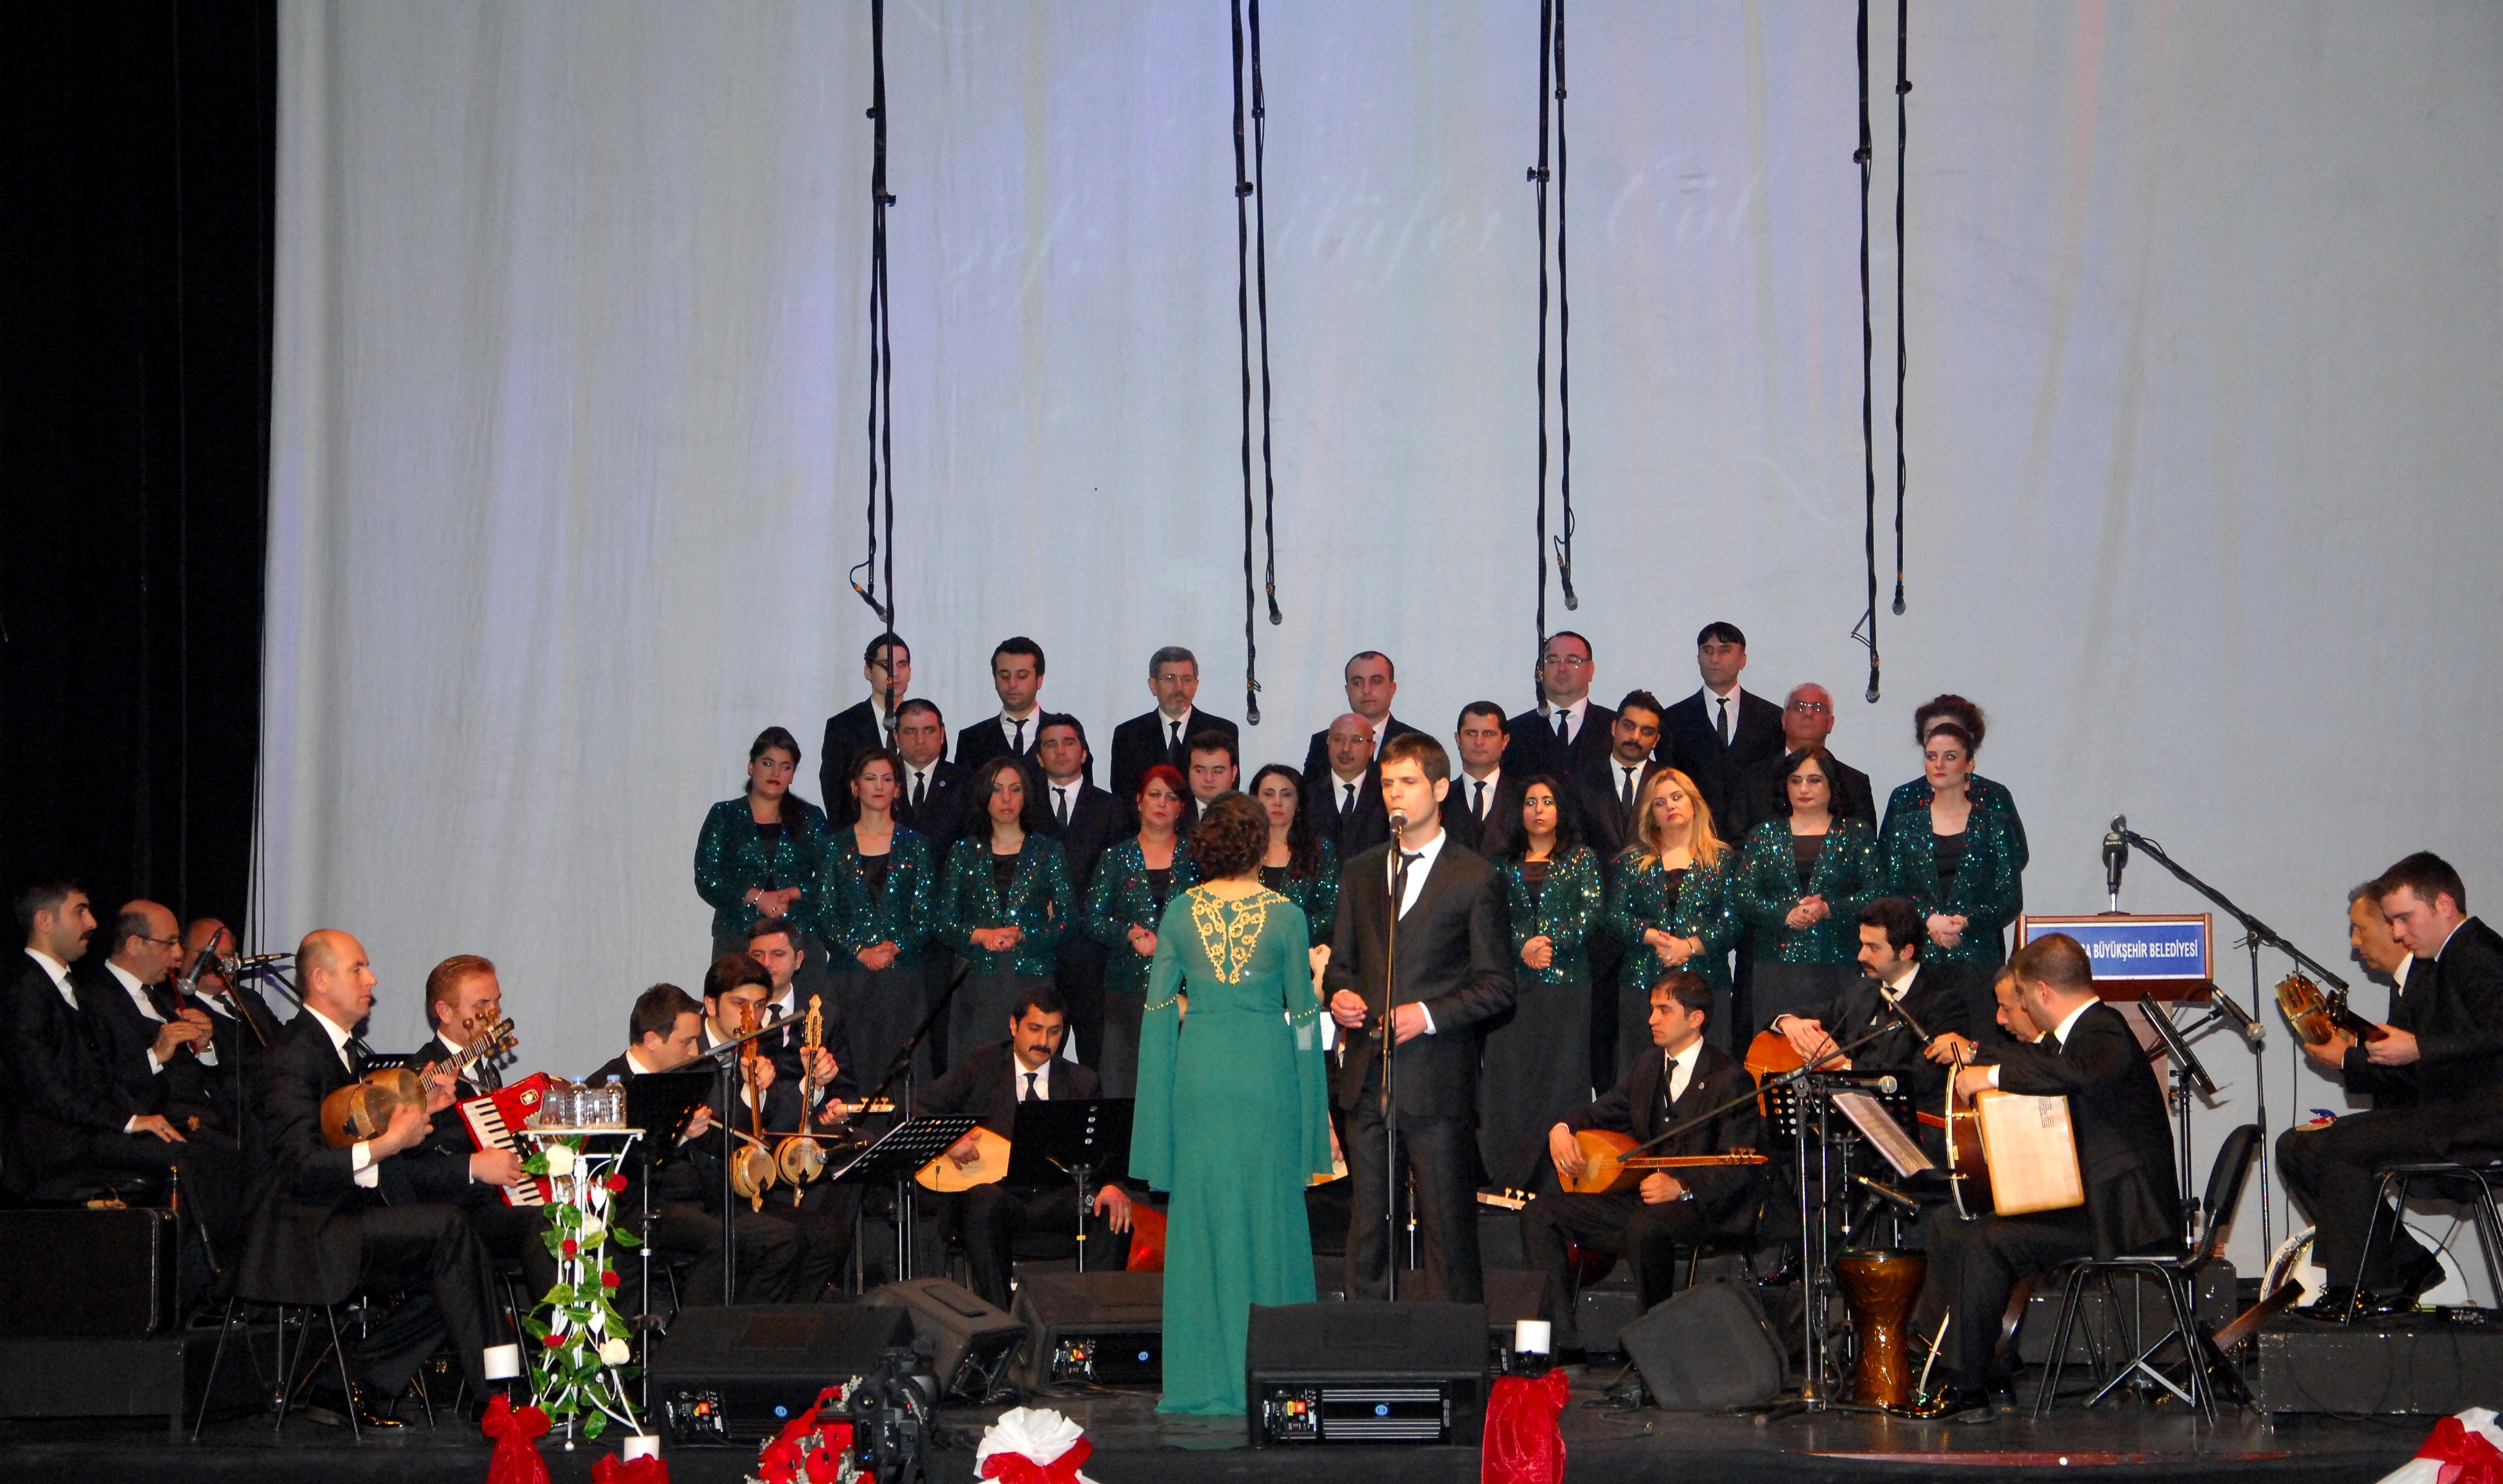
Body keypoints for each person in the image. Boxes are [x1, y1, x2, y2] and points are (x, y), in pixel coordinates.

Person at [233, 930, 511, 1426]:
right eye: (358, 968)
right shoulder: (292, 1056)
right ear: (321, 980)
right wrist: (390, 1142)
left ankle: (347, 1384)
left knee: (460, 1260)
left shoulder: (338, 1050)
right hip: (299, 1229)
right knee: (451, 1231)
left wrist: (423, 1112)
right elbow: (301, 1167)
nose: (372, 979)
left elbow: (348, 1139)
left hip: (338, 1215)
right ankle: (499, 1398)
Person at [1917, 933, 2178, 1422]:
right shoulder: (2079, 1035)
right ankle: (1965, 1366)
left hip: (2124, 1216)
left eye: (2021, 996)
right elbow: (2044, 1062)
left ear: (2041, 991)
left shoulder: (2104, 1028)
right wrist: (1979, 1056)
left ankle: (1966, 1387)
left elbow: (2075, 1073)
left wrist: (1989, 1074)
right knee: (1963, 1224)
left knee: (1989, 1239)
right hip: (2094, 1206)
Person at [1134, 793, 1333, 1413]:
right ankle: (1274, 1371)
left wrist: (1159, 1105)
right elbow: (1305, 1019)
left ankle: (1202, 1378)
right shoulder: (1287, 915)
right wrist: (1314, 1104)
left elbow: (1158, 1011)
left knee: (1203, 1219)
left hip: (1201, 1077)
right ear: (1259, 845)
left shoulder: (1178, 912)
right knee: (1268, 1214)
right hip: (1265, 1076)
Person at [1324, 733, 1514, 1303]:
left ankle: (1453, 1345)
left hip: (1436, 1079)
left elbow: (1498, 986)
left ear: (1440, 787)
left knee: (1447, 1232)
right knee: (1368, 1231)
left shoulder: (1473, 876)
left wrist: (1428, 1014)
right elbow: (1341, 964)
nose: (1395, 794)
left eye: (1407, 782)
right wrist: (1340, 996)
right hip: (1367, 1078)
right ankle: (1366, 1342)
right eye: (1387, 783)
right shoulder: (1361, 871)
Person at [2278, 854, 2503, 1320]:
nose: (2399, 932)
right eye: (2393, 920)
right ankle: (2376, 1282)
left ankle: (2366, 1289)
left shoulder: (2477, 952)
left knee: (2344, 1141)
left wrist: (2416, 1047)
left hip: (2479, 1120)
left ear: (2444, 905)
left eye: (2404, 918)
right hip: (2462, 1114)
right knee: (2335, 1141)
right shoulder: (2451, 958)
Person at [1522, 973, 1762, 1357]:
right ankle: (1562, 1342)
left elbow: (1739, 1166)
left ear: (1696, 1018)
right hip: (1643, 1200)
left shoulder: (1730, 1079)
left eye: (1664, 1010)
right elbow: (1600, 1112)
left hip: (1700, 1208)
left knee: (1646, 1230)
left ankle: (1653, 1352)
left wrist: (1682, 1187)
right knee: (1541, 1213)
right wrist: (1562, 1129)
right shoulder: (1649, 1066)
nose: (1652, 1019)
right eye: (1652, 1009)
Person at [2, 882, 243, 1260]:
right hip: (56, 1144)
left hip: (88, 1130)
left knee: (213, 1151)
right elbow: (47, 1090)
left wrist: (137, 1117)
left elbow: (99, 1076)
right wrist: (129, 1120)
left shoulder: (67, 986)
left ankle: (215, 1274)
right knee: (189, 1157)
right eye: (80, 912)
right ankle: (203, 1278)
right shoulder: (24, 989)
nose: (92, 922)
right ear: (44, 921)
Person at [583, 982, 803, 1309]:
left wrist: (748, 1093)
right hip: (638, 1206)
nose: (694, 1052)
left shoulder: (683, 1076)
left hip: (700, 1202)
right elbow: (609, 1168)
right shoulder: (607, 1087)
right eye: (686, 1042)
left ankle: (743, 1326)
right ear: (652, 1039)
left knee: (784, 1239)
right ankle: (695, 1331)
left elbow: (723, 1140)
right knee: (721, 1240)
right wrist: (681, 1135)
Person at [917, 987, 1133, 1310]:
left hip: (1059, 1199)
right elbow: (918, 1108)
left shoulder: (1082, 1081)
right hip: (1001, 1198)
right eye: (1035, 1029)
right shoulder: (983, 1066)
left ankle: (1092, 1322)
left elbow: (1104, 1152)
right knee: (982, 1199)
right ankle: (1001, 1319)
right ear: (1014, 1026)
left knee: (1112, 1210)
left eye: (1054, 1031)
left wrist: (1111, 1186)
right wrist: (949, 1140)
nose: (1044, 1041)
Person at [701, 951, 856, 1301]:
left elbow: (777, 1125)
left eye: (759, 1006)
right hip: (707, 1191)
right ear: (711, 1005)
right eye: (739, 1004)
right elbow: (713, 1131)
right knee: (784, 1239)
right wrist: (747, 1093)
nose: (751, 1016)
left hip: (750, 1188)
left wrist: (813, 1084)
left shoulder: (762, 1048)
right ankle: (753, 1321)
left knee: (829, 1238)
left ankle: (785, 1319)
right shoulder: (688, 1050)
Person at [405, 955, 557, 1307]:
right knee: (542, 1222)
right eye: (481, 1005)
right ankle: (557, 1330)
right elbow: (413, 1166)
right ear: (444, 1011)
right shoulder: (420, 1076)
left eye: (496, 1002)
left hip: (495, 1204)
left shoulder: (485, 1071)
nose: (494, 1014)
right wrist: (474, 1167)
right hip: (456, 1215)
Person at [1481, 776, 1605, 1192]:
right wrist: (1523, 946)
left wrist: (1548, 942)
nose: (1538, 810)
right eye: (1531, 802)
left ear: (1560, 809)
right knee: (1512, 1078)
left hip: (1568, 986)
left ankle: (1556, 1180)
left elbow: (1592, 913)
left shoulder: (1582, 858)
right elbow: (1490, 918)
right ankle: (1507, 1176)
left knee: (1563, 1077)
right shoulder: (1500, 863)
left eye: (1548, 801)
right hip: (1514, 987)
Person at [1876, 714, 2025, 1046]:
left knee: (1979, 1049)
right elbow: (1891, 889)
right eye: (1932, 756)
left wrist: (1966, 922)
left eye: (1950, 756)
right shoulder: (1905, 825)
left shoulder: (1994, 824)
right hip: (1919, 960)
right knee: (1920, 1052)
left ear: (1969, 764)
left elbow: (2010, 898)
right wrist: (1929, 919)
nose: (1939, 765)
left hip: (1978, 959)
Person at [1769, 898, 1971, 1131]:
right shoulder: (1865, 991)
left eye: (1873, 948)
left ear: (1906, 952)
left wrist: (1843, 1066)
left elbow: (1920, 1080)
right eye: (1862, 945)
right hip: (1855, 1125)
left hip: (1912, 1128)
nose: (1861, 956)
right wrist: (1789, 1023)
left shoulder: (1943, 1002)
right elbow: (1811, 1013)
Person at [937, 755, 1076, 1062]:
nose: (1006, 798)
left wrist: (1024, 935)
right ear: (983, 796)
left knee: (1030, 1070)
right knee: (978, 1069)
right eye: (997, 789)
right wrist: (983, 935)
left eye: (1015, 789)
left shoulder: (1048, 851)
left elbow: (1068, 921)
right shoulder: (963, 852)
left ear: (1026, 796)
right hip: (977, 979)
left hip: (1032, 978)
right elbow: (943, 923)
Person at [1732, 748, 1885, 1025]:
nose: (1804, 788)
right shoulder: (1763, 835)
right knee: (1776, 1047)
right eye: (1795, 780)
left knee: (1837, 1045)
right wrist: (1785, 913)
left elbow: (1876, 893)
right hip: (1775, 964)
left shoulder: (1856, 834)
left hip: (1839, 960)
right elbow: (1743, 896)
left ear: (1832, 785)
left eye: (1814, 780)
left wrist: (1828, 909)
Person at [821, 748, 941, 1092]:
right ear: (855, 786)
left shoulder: (917, 846)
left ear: (898, 788)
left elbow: (926, 914)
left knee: (901, 1075)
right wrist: (860, 951)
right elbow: (825, 914)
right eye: (870, 778)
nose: (878, 786)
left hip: (901, 978)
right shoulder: (833, 847)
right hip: (849, 977)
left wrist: (895, 948)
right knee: (849, 1072)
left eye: (887, 779)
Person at [1605, 768, 1741, 1067]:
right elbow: (1614, 917)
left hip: (1706, 983)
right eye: (1660, 802)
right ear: (1651, 814)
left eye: (1677, 797)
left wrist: (1689, 946)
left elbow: (1733, 922)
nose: (1670, 806)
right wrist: (1651, 936)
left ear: (1694, 803)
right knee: (1642, 1073)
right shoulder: (1632, 861)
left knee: (1708, 1074)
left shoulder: (1722, 860)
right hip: (1643, 981)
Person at [1083, 765, 1200, 1097]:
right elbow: (1092, 919)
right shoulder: (1115, 857)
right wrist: (1129, 934)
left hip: (1186, 988)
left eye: (1171, 797)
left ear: (1181, 807)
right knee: (1125, 1088)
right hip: (1127, 990)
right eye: (1154, 795)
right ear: (1139, 801)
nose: (1162, 803)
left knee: (1182, 1086)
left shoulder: (1197, 858)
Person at [81, 899, 225, 1135]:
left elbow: (205, 1083)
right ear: (135, 944)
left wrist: (204, 1048)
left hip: (204, 1122)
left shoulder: (165, 998)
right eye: (170, 943)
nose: (179, 954)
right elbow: (96, 1085)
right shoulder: (91, 1000)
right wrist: (155, 1055)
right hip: (153, 1131)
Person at [694, 726, 834, 959]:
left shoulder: (811, 818)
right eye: (768, 763)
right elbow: (707, 879)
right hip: (737, 936)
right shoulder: (725, 815)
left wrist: (793, 893)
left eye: (785, 767)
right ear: (751, 767)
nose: (776, 773)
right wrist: (756, 896)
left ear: (793, 774)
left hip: (799, 938)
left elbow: (832, 877)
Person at [1034, 715, 1125, 1074]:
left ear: (1084, 753)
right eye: (1050, 744)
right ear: (1039, 757)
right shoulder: (1023, 808)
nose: (1060, 751)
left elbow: (1119, 880)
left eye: (1069, 742)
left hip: (1093, 955)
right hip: (1039, 952)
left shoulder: (1112, 807)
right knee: (1038, 1058)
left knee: (1095, 1057)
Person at [1657, 623, 1785, 831]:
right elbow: (1668, 785)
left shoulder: (1772, 718)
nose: (1714, 659)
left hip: (1758, 835)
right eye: (1708, 651)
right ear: (1699, 658)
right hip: (1695, 836)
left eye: (1724, 651)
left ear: (1743, 659)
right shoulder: (1673, 720)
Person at [1728, 683, 1878, 840]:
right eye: (1799, 707)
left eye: (1818, 708)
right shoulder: (1751, 780)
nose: (1808, 713)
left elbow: (1865, 843)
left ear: (1830, 723)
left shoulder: (1855, 784)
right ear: (1784, 720)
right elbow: (1736, 843)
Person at [1108, 647, 1239, 806]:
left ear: (1196, 685)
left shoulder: (1222, 730)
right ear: (1153, 685)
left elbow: (1229, 795)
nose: (1179, 687)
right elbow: (1123, 797)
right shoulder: (1129, 735)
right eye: (1170, 678)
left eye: (1186, 679)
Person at [818, 632, 912, 825]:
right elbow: (834, 793)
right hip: (860, 834)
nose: (895, 672)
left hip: (915, 836)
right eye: (886, 665)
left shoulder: (925, 725)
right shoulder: (843, 726)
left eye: (902, 664)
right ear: (868, 671)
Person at [1564, 690, 1666, 867]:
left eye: (1646, 731)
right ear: (1614, 727)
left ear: (1656, 740)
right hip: (1596, 882)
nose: (1635, 737)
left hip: (1653, 882)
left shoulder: (1667, 784)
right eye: (1629, 726)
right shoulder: (1581, 782)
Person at [1250, 764, 1341, 948]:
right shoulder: (1243, 849)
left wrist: (1286, 930)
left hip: (1303, 952)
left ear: (1298, 802)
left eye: (1286, 795)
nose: (1277, 802)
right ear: (1255, 801)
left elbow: (1331, 913)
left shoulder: (1320, 850)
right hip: (1248, 952)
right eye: (1269, 794)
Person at [1507, 631, 1615, 784]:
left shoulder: (1616, 728)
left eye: (1572, 661)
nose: (1562, 668)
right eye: (1552, 661)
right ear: (1540, 671)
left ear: (1591, 670)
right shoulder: (1514, 732)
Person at [1299, 651, 1421, 783]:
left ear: (1392, 688)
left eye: (1376, 682)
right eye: (1357, 683)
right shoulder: (1323, 743)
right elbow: (1310, 793)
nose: (1366, 690)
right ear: (1348, 690)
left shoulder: (1417, 744)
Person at [954, 637, 1053, 774]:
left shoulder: (1064, 735)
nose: (1012, 684)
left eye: (1022, 676)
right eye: (1005, 676)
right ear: (995, 680)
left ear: (1039, 680)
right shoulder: (972, 739)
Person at [1442, 701, 1525, 859]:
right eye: (1471, 733)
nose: (1479, 742)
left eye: (1488, 734)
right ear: (1458, 739)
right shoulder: (1439, 799)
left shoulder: (1524, 797)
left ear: (1505, 741)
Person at [1304, 713, 1388, 863]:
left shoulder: (1387, 796)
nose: (1346, 749)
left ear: (1372, 748)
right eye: (1338, 739)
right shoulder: (1306, 796)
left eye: (1356, 741)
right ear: (1328, 743)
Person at [891, 700, 968, 853]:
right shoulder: (882, 782)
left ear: (942, 735)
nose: (920, 740)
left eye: (929, 731)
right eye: (910, 731)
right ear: (896, 737)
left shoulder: (966, 784)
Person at [1181, 731, 1240, 830]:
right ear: (1189, 771)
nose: (1209, 779)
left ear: (1234, 773)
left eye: (1217, 772)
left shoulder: (1246, 817)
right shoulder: (1174, 813)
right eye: (1200, 771)